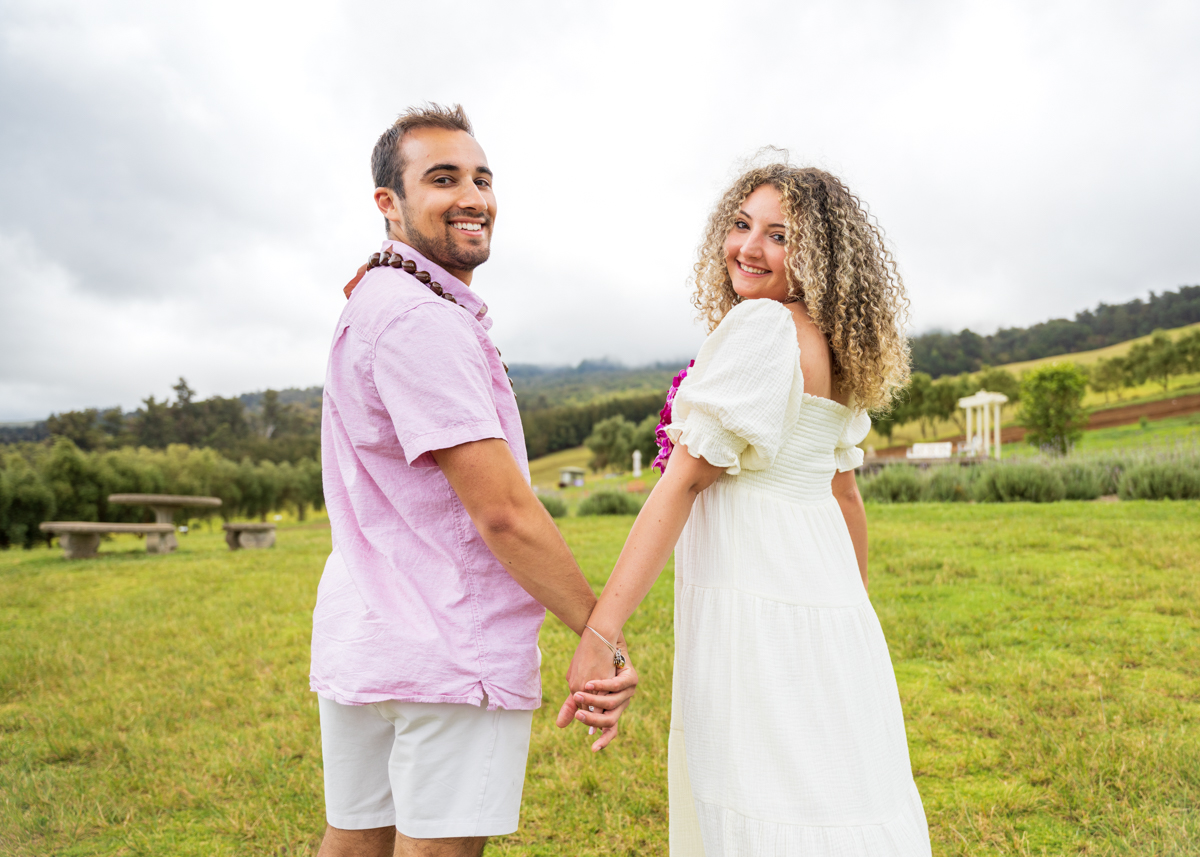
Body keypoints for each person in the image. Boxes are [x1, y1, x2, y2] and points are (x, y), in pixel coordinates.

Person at [560, 163, 932, 855]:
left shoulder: (763, 327)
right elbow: (842, 493)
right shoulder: (829, 343)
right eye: (740, 224)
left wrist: (601, 630)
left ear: (820, 253)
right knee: (826, 790)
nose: (748, 248)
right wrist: (844, 623)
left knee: (763, 796)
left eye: (779, 235)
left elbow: (683, 483)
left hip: (757, 602)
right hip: (823, 602)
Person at [312, 103, 636, 857]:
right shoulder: (419, 319)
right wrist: (600, 631)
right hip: (448, 649)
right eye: (443, 178)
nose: (473, 196)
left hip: (371, 637)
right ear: (388, 204)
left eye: (482, 178)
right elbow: (504, 513)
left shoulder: (376, 302)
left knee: (354, 840)